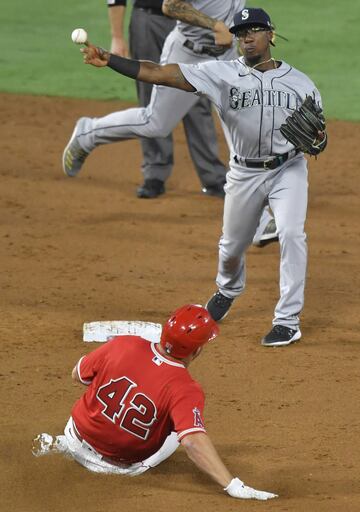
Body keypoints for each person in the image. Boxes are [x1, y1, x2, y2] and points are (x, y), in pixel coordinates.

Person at [73, 7, 327, 348]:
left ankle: (287, 320)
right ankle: (228, 288)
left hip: (288, 170)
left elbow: (317, 133)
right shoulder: (220, 74)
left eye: (254, 30)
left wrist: (319, 141)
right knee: (231, 249)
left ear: (271, 34)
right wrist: (112, 60)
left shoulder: (301, 82)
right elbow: (160, 73)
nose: (246, 37)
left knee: (292, 234)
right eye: (240, 32)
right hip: (244, 173)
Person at [63, 0, 277, 245]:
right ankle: (88, 133)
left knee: (241, 133)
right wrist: (214, 25)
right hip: (187, 54)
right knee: (156, 123)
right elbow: (170, 5)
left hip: (227, 57)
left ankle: (260, 221)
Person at [32, 304, 277, 501]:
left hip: (75, 435)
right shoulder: (185, 388)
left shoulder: (122, 344)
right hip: (115, 467)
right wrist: (232, 485)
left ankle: (62, 445)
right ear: (197, 351)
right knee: (184, 429)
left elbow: (78, 375)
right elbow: (192, 442)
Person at [107, 0, 228, 199]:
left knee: (197, 95)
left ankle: (212, 175)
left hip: (190, 21)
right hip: (148, 20)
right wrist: (117, 36)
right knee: (150, 95)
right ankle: (155, 171)